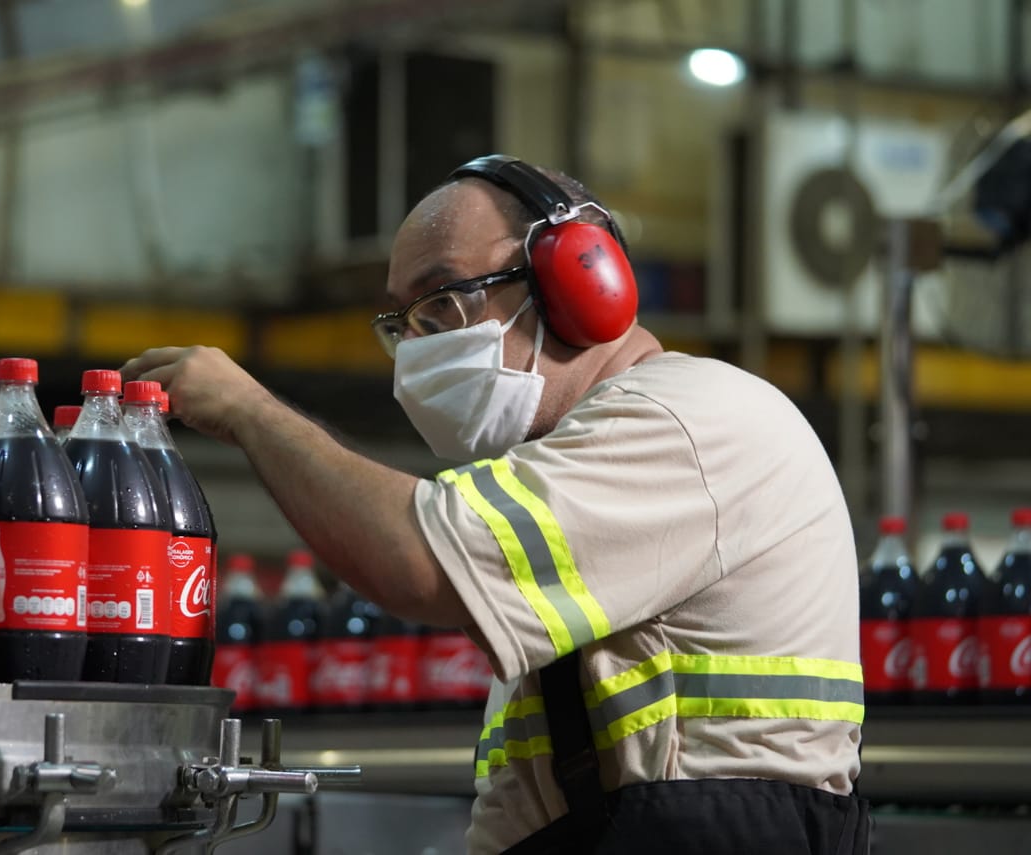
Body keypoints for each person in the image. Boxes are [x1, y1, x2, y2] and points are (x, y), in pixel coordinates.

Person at [122, 155, 869, 854]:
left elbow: (421, 560)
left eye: (443, 303)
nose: (419, 347)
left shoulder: (687, 420)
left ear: (581, 281)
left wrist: (252, 412)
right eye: (404, 324)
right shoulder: (581, 456)